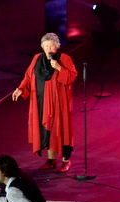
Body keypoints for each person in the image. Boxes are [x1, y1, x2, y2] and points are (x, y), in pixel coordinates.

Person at [12, 32, 77, 173]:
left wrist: (59, 68)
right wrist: (20, 89)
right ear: (42, 47)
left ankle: (66, 161)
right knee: (46, 131)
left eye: (51, 46)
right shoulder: (37, 58)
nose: (48, 49)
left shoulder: (64, 59)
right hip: (40, 102)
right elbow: (28, 77)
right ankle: (51, 160)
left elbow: (71, 77)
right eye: (46, 46)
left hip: (59, 104)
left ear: (57, 46)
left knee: (61, 130)